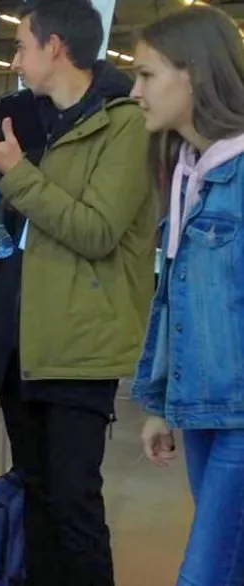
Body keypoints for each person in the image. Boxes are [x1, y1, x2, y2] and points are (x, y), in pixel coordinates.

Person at [0, 1, 157, 585]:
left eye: (21, 46)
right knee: (35, 494)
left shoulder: (123, 125)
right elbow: (25, 225)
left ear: (55, 46)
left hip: (78, 342)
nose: (16, 61)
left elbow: (95, 230)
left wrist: (17, 172)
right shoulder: (30, 121)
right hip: (18, 331)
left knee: (73, 503)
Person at [129, 5, 244, 585]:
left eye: (147, 74)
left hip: (240, 418)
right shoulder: (189, 173)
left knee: (205, 574)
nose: (136, 91)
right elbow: (175, 301)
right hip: (206, 409)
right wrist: (159, 403)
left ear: (193, 73)